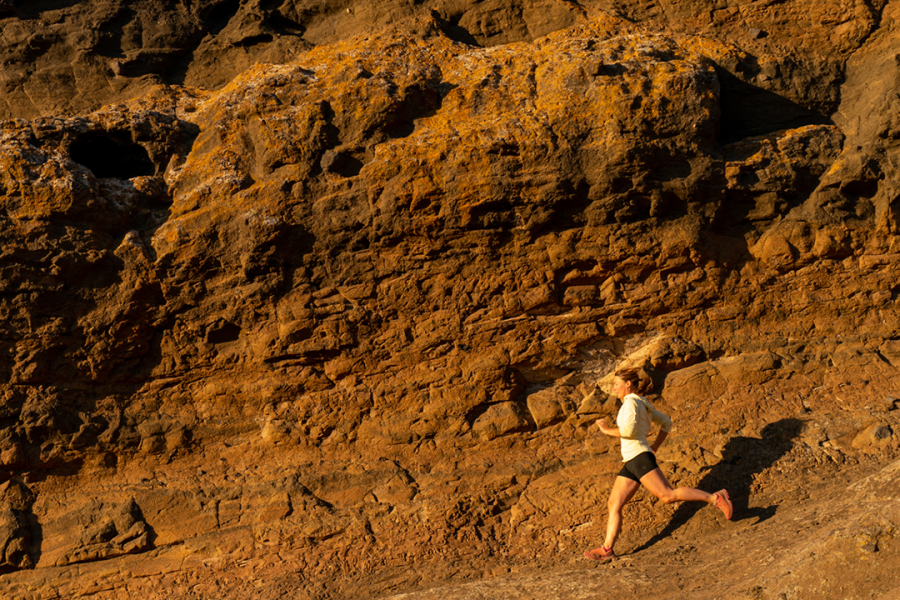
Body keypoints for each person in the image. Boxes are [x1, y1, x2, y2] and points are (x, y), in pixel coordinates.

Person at [583, 368, 733, 561]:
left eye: (616, 384)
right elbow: (666, 422)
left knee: (667, 495)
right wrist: (654, 446)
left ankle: (715, 498)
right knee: (614, 503)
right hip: (632, 459)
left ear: (628, 384)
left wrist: (606, 430)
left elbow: (627, 431)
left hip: (638, 457)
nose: (614, 388)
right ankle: (607, 549)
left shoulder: (630, 404)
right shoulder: (642, 404)